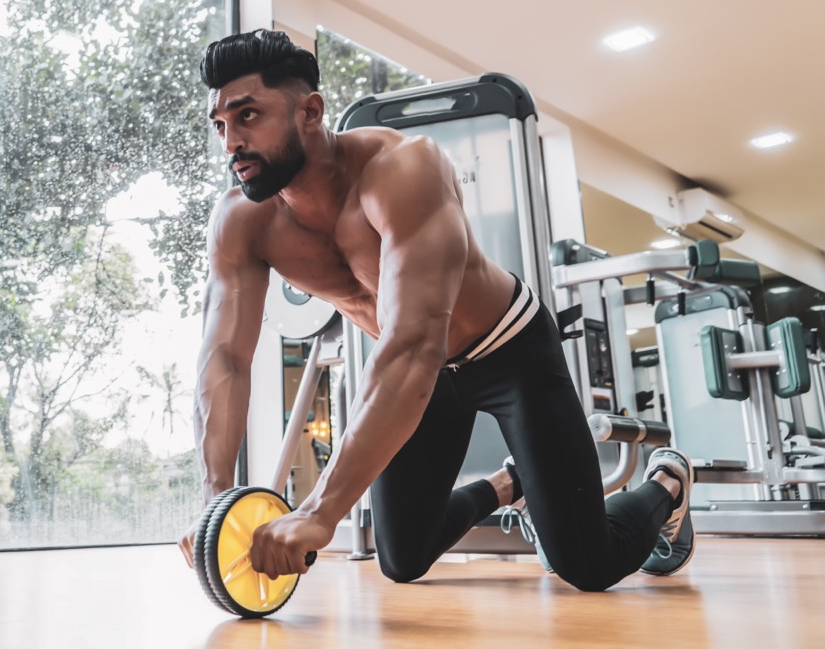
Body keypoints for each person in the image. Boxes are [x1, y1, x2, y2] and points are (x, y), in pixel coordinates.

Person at [177, 29, 695, 592]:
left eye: (248, 116)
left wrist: (320, 510)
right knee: (402, 559)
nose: (231, 141)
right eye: (221, 125)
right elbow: (225, 359)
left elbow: (414, 344)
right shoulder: (240, 220)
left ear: (310, 111)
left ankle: (667, 480)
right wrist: (214, 505)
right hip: (422, 376)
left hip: (508, 350)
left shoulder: (402, 170)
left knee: (587, 565)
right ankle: (509, 485)